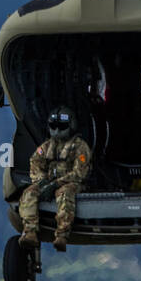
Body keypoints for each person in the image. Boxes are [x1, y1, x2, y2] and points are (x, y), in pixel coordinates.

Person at [18, 106, 92, 251]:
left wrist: (57, 183)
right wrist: (42, 180)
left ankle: (62, 235)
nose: (57, 130)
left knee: (65, 194)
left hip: (72, 183)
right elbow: (35, 163)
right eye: (54, 126)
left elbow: (80, 173)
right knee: (29, 193)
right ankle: (30, 231)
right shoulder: (46, 146)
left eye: (62, 127)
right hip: (48, 182)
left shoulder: (80, 147)